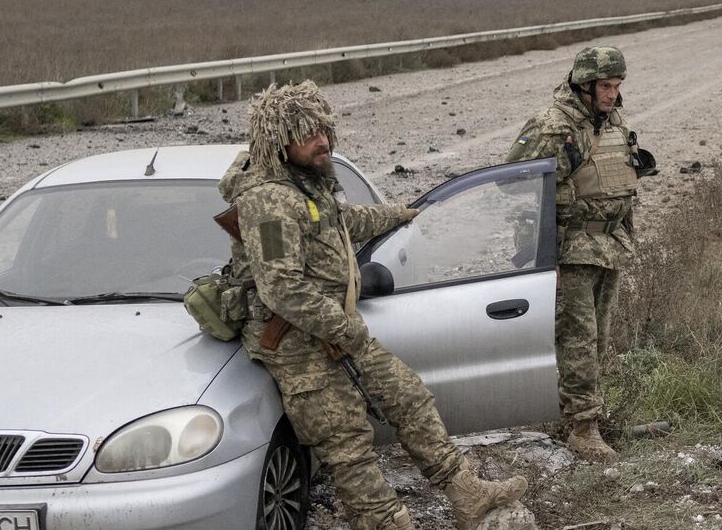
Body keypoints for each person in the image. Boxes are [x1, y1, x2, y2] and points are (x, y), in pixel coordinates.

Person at [223, 81, 529, 530]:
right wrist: (345, 330)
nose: (322, 141)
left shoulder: (306, 185)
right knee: (347, 442)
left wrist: (400, 214)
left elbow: (342, 221)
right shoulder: (268, 202)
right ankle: (386, 522)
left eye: (324, 129)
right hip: (297, 345)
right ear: (279, 141)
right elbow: (281, 289)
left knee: (408, 397)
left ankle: (467, 495)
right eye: (308, 134)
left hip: (334, 332)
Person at [506, 46, 653, 463]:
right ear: (584, 86)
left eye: (617, 85)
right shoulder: (553, 127)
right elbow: (515, 183)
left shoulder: (609, 119)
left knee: (599, 340)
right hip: (571, 250)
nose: (613, 94)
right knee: (578, 341)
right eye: (605, 86)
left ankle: (577, 416)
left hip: (608, 246)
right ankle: (583, 429)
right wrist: (543, 253)